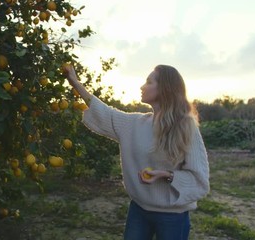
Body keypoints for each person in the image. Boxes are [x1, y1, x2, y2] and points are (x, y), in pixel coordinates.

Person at [64, 64, 210, 240]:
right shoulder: (135, 124)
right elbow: (104, 112)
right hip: (139, 210)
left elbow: (199, 179)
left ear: (165, 88)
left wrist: (166, 175)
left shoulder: (186, 127)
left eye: (149, 82)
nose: (142, 86)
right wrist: (75, 82)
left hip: (172, 216)